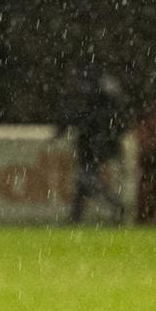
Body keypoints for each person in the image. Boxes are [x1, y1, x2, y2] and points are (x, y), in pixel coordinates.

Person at [63, 72, 128, 224]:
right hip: (93, 156)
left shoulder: (94, 115)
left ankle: (116, 206)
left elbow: (87, 133)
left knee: (88, 186)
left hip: (91, 157)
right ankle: (76, 218)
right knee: (84, 186)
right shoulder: (106, 115)